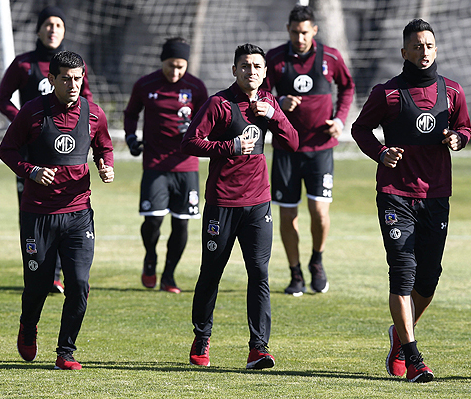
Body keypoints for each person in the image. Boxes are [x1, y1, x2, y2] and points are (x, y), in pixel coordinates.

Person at [351, 19, 471, 383]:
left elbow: (465, 128)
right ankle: (414, 355)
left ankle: (399, 336)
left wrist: (457, 139)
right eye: (417, 46)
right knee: (402, 274)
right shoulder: (387, 93)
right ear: (404, 51)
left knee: (429, 279)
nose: (424, 52)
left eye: (430, 46)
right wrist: (381, 152)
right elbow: (360, 129)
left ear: (437, 49)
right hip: (395, 195)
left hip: (436, 195)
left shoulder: (452, 91)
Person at [181, 44, 298, 369]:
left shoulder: (268, 103)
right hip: (222, 203)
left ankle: (259, 348)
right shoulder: (219, 103)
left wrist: (275, 116)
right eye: (245, 66)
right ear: (235, 70)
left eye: (257, 66)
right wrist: (228, 146)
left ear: (264, 71)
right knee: (212, 272)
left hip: (258, 203)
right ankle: (202, 336)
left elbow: (293, 142)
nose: (252, 71)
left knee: (259, 273)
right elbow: (190, 141)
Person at [0, 50, 114, 370]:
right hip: (38, 214)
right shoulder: (32, 112)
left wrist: (106, 165)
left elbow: (104, 144)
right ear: (51, 80)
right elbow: (6, 150)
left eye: (78, 78)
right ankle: (28, 326)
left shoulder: (94, 114)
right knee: (38, 286)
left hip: (78, 213)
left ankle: (66, 352)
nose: (74, 84)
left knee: (78, 284)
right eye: (66, 78)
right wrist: (31, 171)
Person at [0, 6, 93, 294]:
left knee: (68, 207)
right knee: (31, 208)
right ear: (38, 30)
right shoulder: (24, 64)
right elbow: (2, 98)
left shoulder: (74, 66)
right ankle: (39, 268)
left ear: (64, 31)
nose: (53, 30)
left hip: (64, 151)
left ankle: (57, 275)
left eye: (59, 25)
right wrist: (24, 122)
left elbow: (86, 101)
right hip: (31, 153)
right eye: (48, 24)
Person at [263, 5, 355, 296]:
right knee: (288, 215)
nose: (299, 38)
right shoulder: (275, 59)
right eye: (294, 32)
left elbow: (348, 87)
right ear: (288, 31)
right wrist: (279, 104)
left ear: (314, 30)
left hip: (320, 149)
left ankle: (317, 260)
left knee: (319, 213)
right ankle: (295, 274)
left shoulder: (330, 57)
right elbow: (260, 95)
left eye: (304, 32)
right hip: (286, 150)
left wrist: (340, 120)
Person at [123, 37, 209, 293]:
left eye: (180, 66)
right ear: (163, 61)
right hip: (155, 164)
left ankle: (169, 276)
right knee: (153, 221)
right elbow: (131, 113)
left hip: (186, 166)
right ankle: (150, 258)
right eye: (171, 65)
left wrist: (200, 135)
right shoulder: (145, 84)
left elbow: (207, 118)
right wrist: (130, 138)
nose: (175, 71)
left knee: (181, 223)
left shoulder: (196, 87)